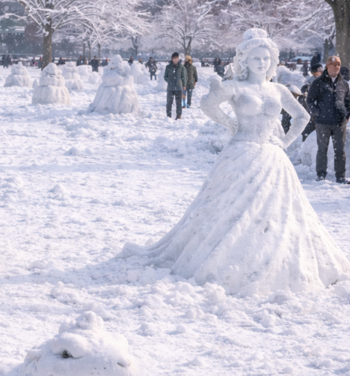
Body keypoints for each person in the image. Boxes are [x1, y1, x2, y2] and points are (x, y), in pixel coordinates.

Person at [121, 28, 350, 294]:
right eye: (256, 58)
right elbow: (207, 105)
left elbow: (302, 116)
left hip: (272, 158)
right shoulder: (235, 86)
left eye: (266, 58)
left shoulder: (277, 89)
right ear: (245, 60)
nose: (261, 63)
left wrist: (285, 141)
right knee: (230, 210)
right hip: (241, 153)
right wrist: (228, 122)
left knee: (277, 212)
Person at [307, 55, 350, 183]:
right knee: (322, 149)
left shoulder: (344, 84)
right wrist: (317, 113)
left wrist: (347, 115)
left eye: (338, 65)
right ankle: (321, 175)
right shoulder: (318, 83)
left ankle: (340, 176)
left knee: (340, 151)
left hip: (339, 122)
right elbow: (310, 101)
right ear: (327, 66)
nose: (336, 67)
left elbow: (348, 102)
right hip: (323, 122)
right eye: (333, 64)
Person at [164, 52, 187, 119]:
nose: (176, 60)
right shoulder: (168, 67)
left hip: (179, 87)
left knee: (179, 103)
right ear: (172, 59)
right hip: (170, 88)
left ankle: (179, 115)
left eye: (177, 58)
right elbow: (165, 77)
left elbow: (183, 77)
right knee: (169, 103)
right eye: (174, 58)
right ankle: (168, 116)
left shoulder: (181, 67)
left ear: (178, 58)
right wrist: (169, 81)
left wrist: (184, 85)